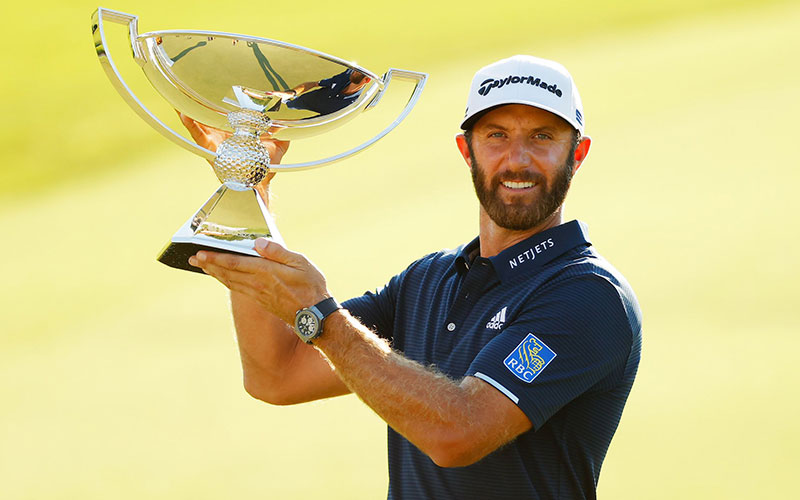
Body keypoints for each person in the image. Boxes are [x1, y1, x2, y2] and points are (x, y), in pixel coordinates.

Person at [185, 55, 642, 500]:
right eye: (496, 135)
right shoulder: (428, 280)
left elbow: (459, 434)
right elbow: (276, 376)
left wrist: (322, 317)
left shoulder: (589, 295)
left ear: (576, 154)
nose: (516, 159)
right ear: (467, 151)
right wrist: (247, 187)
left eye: (542, 137)